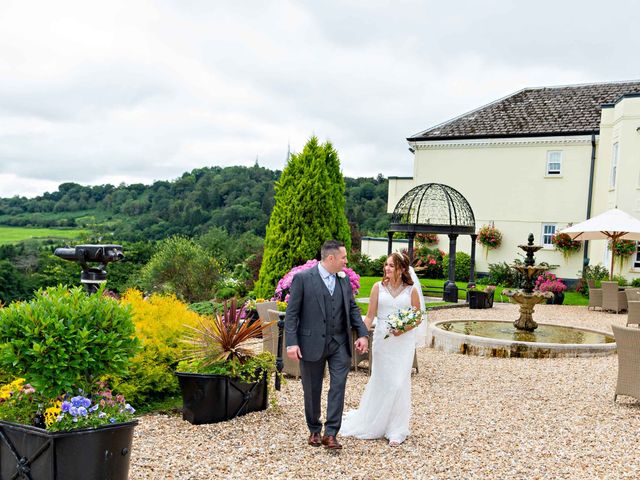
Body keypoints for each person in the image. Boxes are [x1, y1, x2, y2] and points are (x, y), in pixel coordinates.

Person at [285, 240, 370, 450]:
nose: (346, 261)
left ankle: (331, 433)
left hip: (339, 343)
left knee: (338, 387)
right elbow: (292, 313)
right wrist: (292, 343)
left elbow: (352, 309)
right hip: (310, 342)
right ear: (331, 258)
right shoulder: (303, 279)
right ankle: (314, 429)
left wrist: (363, 334)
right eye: (343, 257)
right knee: (312, 389)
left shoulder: (343, 281)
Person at [340, 252, 426, 447]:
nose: (387, 268)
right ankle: (375, 422)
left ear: (402, 269)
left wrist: (402, 328)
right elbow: (370, 316)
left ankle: (397, 428)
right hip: (382, 342)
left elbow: (418, 316)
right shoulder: (378, 287)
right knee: (382, 380)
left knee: (398, 383)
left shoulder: (411, 290)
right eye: (386, 265)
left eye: (391, 266)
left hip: (403, 343)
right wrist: (362, 334)